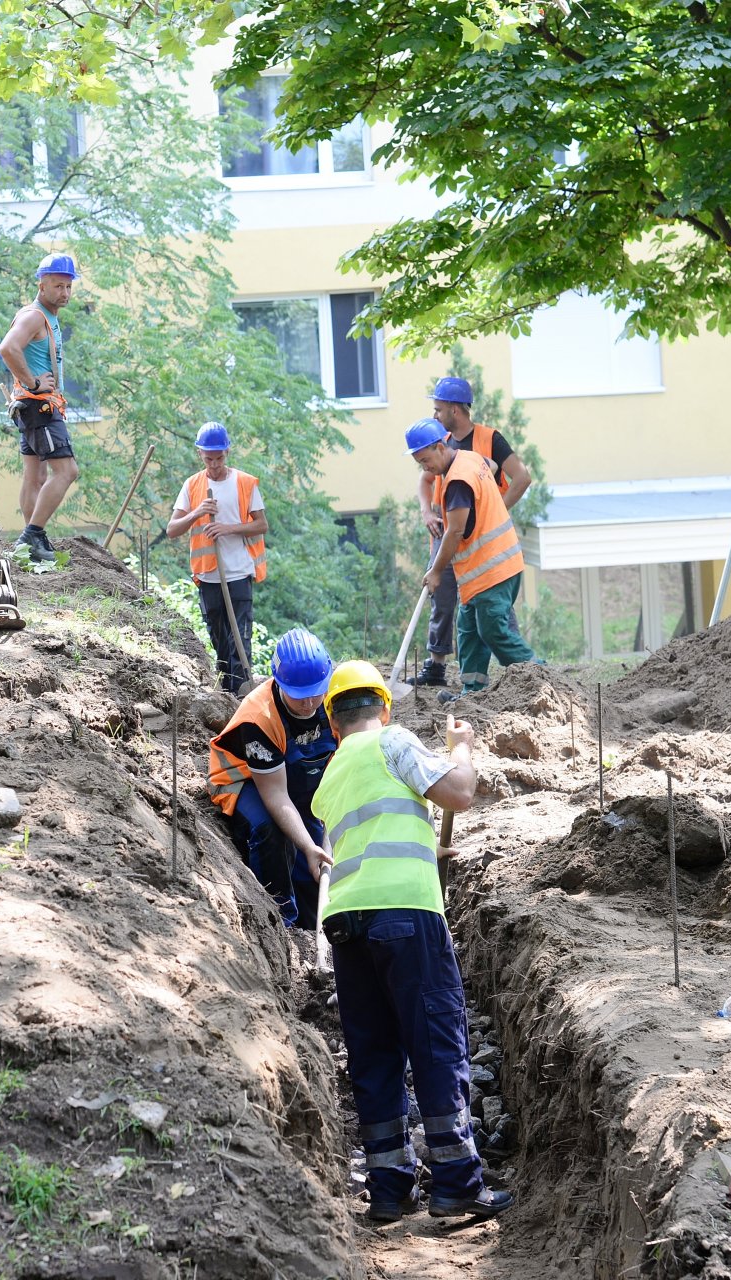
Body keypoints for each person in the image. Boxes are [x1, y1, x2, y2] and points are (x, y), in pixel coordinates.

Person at [310, 660, 514, 1223]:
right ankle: (455, 1184)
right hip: (407, 915)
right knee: (436, 1043)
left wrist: (429, 848)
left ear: (332, 722)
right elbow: (461, 793)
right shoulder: (392, 742)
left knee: (374, 1056)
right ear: (384, 708)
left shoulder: (331, 776)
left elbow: (373, 838)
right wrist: (462, 747)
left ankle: (389, 1190)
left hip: (348, 924)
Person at [205, 629, 337, 931]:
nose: (309, 703)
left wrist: (316, 841)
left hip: (298, 778)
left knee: (315, 868)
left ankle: (316, 925)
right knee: (273, 832)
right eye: (299, 695)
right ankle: (281, 923)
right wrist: (306, 844)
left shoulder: (332, 699)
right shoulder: (259, 718)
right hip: (245, 780)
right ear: (278, 681)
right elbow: (276, 796)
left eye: (317, 692)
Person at [409, 418, 540, 701]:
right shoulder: (469, 458)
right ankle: (473, 692)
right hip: (478, 573)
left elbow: (454, 531)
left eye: (426, 459)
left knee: (493, 630)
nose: (425, 468)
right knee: (468, 631)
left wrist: (435, 571)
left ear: (440, 446)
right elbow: (492, 468)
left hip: (494, 568)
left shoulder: (457, 481)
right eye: (419, 463)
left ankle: (540, 678)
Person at [166, 422, 268, 695]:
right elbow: (172, 530)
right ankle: (226, 690)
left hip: (239, 573)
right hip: (209, 576)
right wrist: (198, 512)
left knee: (240, 638)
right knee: (219, 640)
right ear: (200, 454)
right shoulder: (192, 485)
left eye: (219, 458)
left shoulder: (245, 483)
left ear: (227, 452)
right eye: (208, 459)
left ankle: (241, 692)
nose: (214, 465)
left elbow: (261, 525)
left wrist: (228, 528)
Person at [0, 253, 80, 562]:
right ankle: (32, 535)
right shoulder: (34, 316)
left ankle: (30, 545)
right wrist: (32, 383)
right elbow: (7, 348)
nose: (65, 293)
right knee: (68, 470)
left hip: (31, 408)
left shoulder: (46, 316)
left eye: (68, 287)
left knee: (35, 476)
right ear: (41, 285)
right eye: (58, 286)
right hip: (39, 407)